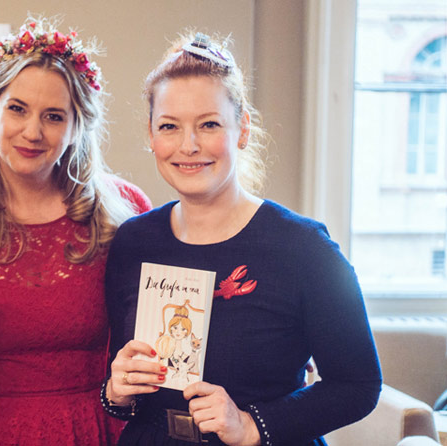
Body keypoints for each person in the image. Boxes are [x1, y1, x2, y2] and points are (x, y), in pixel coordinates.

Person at [102, 32, 381, 446]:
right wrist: (117, 392)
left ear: (243, 128)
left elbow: (358, 386)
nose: (188, 145)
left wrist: (252, 425)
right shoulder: (134, 242)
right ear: (151, 135)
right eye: (169, 126)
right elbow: (122, 384)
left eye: (209, 124)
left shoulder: (304, 248)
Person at [0, 17, 153, 446]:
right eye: (17, 109)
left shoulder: (124, 212)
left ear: (77, 126)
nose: (32, 132)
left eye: (54, 116)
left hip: (99, 429)